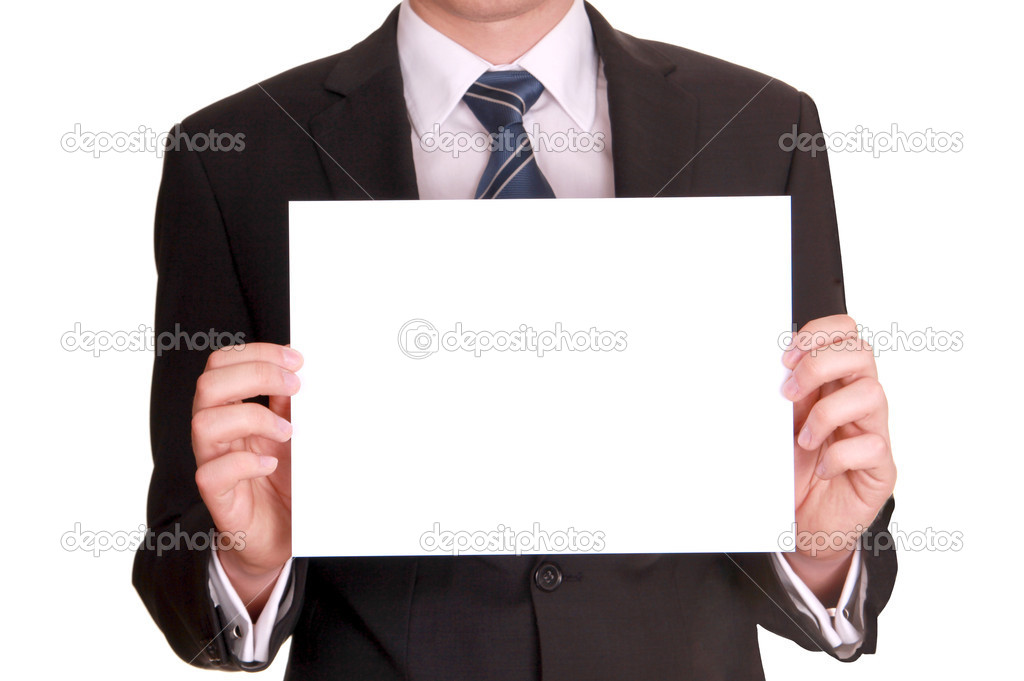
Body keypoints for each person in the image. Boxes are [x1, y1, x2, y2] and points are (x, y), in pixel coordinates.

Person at [133, 1, 898, 679]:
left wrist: (820, 548)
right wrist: (249, 563)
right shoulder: (232, 155)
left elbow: (814, 481)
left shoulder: (765, 126)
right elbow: (179, 570)